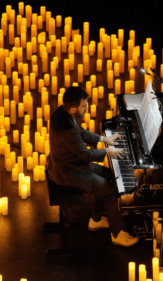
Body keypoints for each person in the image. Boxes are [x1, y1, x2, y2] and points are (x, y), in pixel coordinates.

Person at [46, 87, 139, 247]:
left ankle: (96, 219)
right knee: (110, 191)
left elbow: (80, 132)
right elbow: (86, 155)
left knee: (110, 175)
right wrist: (108, 151)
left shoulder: (61, 113)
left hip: (70, 165)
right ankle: (117, 234)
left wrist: (104, 139)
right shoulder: (68, 130)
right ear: (74, 108)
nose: (86, 108)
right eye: (84, 106)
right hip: (70, 173)